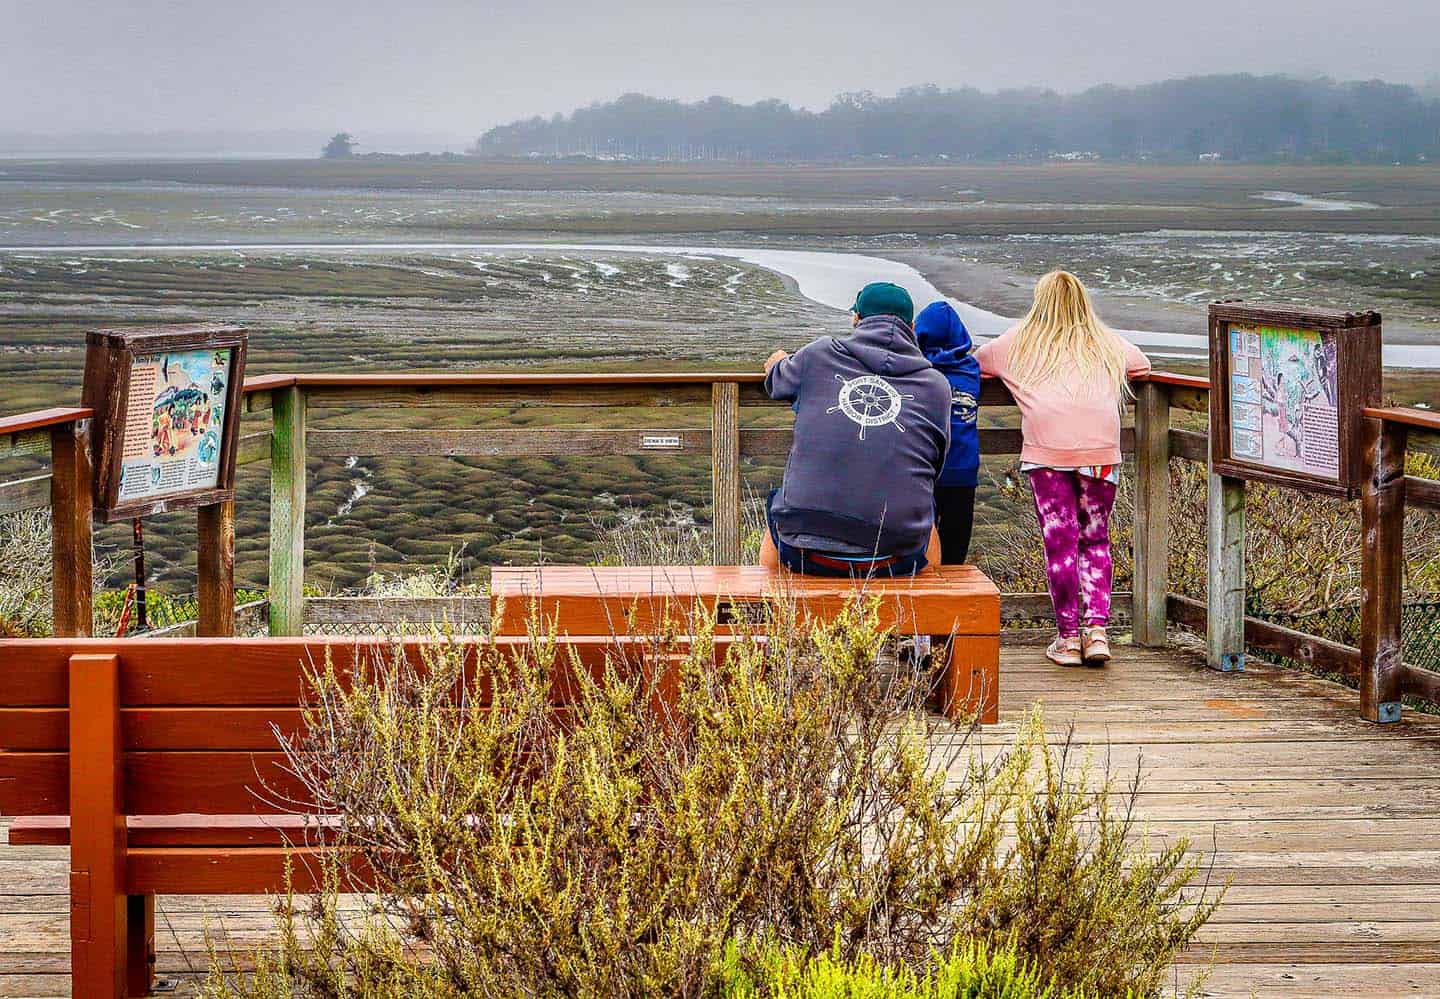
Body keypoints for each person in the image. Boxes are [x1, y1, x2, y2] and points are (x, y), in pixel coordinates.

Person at [975, 270, 1151, 666]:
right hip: (1101, 453)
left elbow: (979, 364)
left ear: (1040, 302)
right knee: (1096, 539)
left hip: (1048, 454)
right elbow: (1142, 366)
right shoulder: (1105, 342)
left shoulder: (1019, 343)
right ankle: (1097, 632)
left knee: (1061, 545)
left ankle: (1069, 638)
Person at [761, 281, 950, 577]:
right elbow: (934, 465)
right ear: (911, 327)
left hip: (804, 554)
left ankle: (777, 600)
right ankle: (925, 608)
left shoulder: (817, 355)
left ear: (857, 320)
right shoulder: (936, 385)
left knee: (781, 500)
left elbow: (777, 379)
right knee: (926, 504)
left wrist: (778, 362)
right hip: (897, 559)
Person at [914, 301, 980, 564]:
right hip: (963, 471)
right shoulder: (972, 369)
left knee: (918, 545)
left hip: (921, 469)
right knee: (955, 549)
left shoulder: (916, 370)